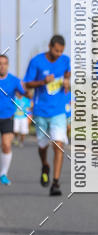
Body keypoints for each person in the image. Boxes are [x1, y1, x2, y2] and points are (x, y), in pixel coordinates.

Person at [24, 35, 70, 196]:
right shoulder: (36, 61)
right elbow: (27, 83)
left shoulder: (65, 60)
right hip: (40, 111)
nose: (58, 54)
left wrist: (66, 81)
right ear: (50, 46)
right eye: (56, 50)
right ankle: (45, 164)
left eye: (61, 51)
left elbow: (68, 73)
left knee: (58, 145)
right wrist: (43, 82)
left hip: (58, 110)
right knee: (43, 146)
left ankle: (56, 183)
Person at [0, 54, 26, 185]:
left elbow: (24, 92)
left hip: (7, 117)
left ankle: (3, 174)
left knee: (6, 144)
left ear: (8, 65)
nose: (2, 66)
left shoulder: (14, 80)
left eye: (4, 63)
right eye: (0, 63)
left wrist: (26, 90)